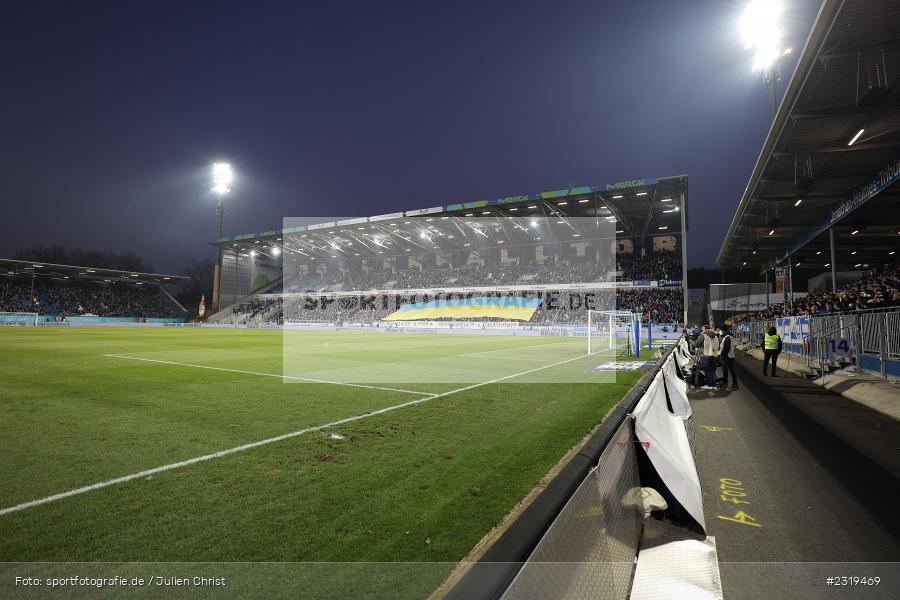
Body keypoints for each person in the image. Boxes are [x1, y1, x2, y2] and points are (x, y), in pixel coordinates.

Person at [699, 325, 720, 390]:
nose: (702, 330)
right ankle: (713, 385)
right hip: (713, 355)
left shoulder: (704, 336)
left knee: (707, 371)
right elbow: (718, 346)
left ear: (706, 330)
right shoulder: (715, 336)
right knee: (711, 371)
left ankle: (710, 385)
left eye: (703, 329)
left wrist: (690, 340)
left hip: (705, 355)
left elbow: (696, 343)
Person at [719, 326, 738, 390]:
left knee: (731, 371)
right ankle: (725, 383)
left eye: (720, 330)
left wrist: (722, 354)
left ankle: (735, 384)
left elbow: (727, 348)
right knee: (725, 370)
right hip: (728, 356)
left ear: (723, 330)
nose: (720, 332)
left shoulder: (727, 337)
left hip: (727, 356)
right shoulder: (727, 336)